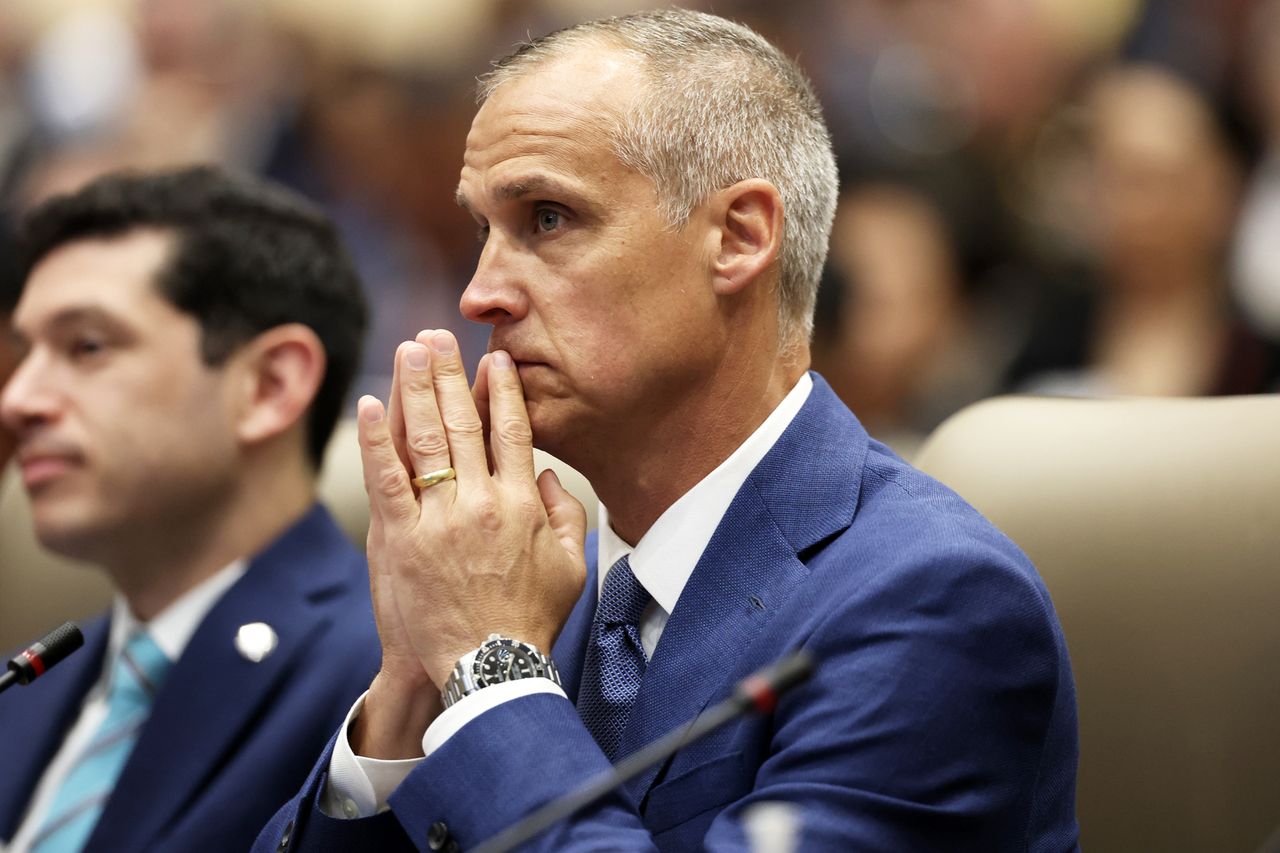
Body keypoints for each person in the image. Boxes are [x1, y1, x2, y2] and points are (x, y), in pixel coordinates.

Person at [258, 9, 1079, 852]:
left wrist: (488, 667)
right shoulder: (525, 576)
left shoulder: (933, 599)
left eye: (547, 218)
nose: (480, 293)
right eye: (483, 232)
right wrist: (409, 693)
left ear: (738, 237)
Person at [0, 165, 381, 852]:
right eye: (26, 353)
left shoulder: (386, 682)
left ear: (269, 384)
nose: (18, 400)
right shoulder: (23, 689)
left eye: (86, 345)